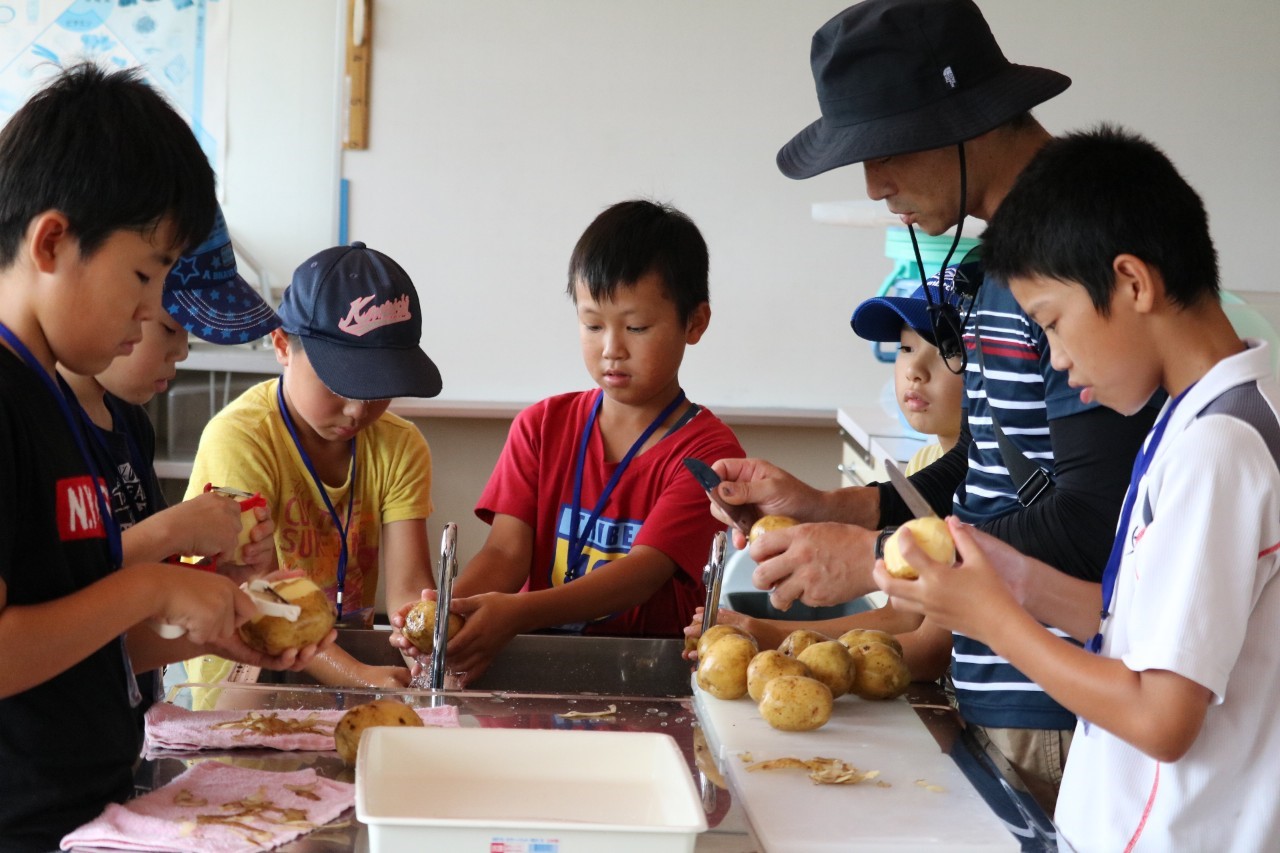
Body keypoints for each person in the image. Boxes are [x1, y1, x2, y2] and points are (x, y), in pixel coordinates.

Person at [708, 0, 1159, 812]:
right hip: (999, 689)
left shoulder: (1075, 254)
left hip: (1059, 707)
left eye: (884, 150)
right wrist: (833, 506)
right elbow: (988, 467)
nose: (873, 185)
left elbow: (1094, 521)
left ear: (960, 119)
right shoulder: (1006, 256)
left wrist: (874, 555)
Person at [880, 124, 1280, 852]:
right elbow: (1141, 627)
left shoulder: (1220, 449)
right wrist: (1015, 581)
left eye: (1054, 324)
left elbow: (1162, 717)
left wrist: (996, 621)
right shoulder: (1197, 421)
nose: (1058, 360)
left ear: (1133, 283)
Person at [0, 64, 328, 852]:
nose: (152, 308)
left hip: (90, 811)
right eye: (144, 274)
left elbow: (76, 646)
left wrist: (210, 626)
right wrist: (152, 583)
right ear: (52, 242)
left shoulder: (54, 402)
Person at [392, 200, 744, 684]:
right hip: (535, 667)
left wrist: (516, 613)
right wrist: (452, 613)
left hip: (648, 679)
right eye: (593, 325)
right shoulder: (542, 425)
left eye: (636, 328)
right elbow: (506, 553)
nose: (611, 349)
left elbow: (643, 574)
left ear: (695, 322)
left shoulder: (708, 454)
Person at [182, 241, 442, 704]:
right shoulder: (241, 438)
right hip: (242, 674)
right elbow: (260, 598)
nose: (358, 409)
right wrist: (358, 676)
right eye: (341, 384)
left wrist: (421, 636)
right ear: (283, 346)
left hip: (345, 664)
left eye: (378, 387)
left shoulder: (400, 446)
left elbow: (408, 587)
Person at [57, 204, 284, 720]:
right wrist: (171, 530)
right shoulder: (44, 423)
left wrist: (219, 575)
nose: (181, 351)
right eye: (168, 327)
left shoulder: (130, 422)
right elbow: (64, 586)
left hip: (126, 722)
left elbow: (129, 618)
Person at [683, 281, 964, 651]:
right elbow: (902, 616)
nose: (915, 370)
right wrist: (762, 630)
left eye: (948, 351)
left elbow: (930, 648)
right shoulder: (924, 464)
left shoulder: (992, 485)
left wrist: (771, 637)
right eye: (906, 347)